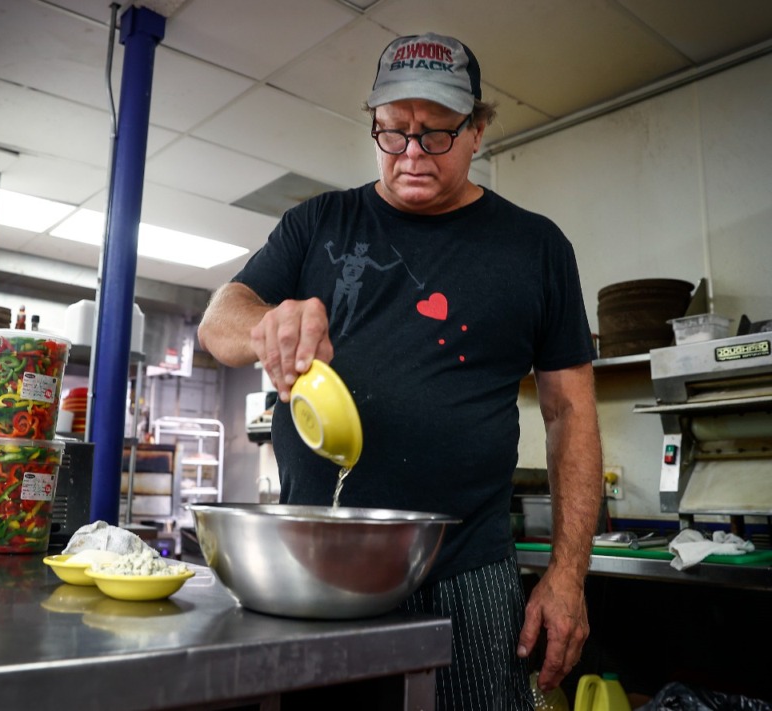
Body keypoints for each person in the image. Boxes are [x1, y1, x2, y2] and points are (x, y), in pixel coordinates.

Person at [197, 32, 603, 710]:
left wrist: (568, 575)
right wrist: (266, 325)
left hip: (468, 570)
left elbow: (571, 414)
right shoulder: (319, 222)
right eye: (393, 133)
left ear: (477, 132)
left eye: (436, 135)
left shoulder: (536, 248)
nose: (411, 155)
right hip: (321, 565)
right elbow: (219, 318)